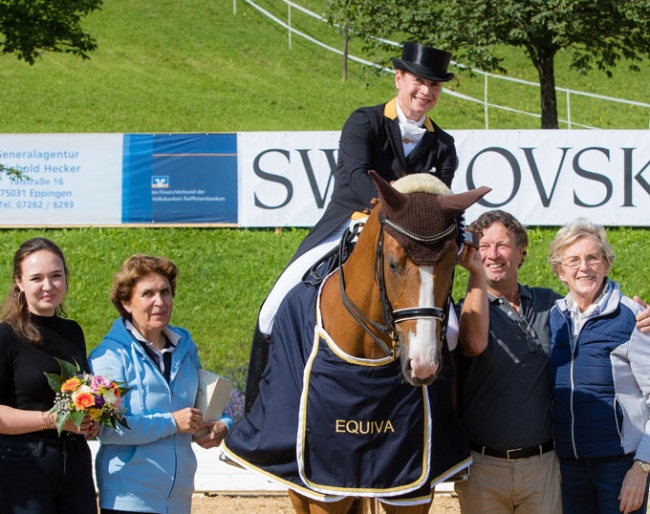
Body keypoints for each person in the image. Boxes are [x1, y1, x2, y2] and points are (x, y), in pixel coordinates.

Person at [247, 41, 459, 409]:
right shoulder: (364, 121)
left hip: (410, 249)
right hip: (347, 225)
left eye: (435, 85)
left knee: (452, 332)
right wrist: (393, 211)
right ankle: (255, 410)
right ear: (399, 78)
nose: (426, 91)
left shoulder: (444, 145)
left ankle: (443, 424)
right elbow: (357, 176)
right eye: (418, 81)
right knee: (272, 308)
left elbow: (441, 203)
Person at [453, 210, 650, 514]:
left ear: (521, 252)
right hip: (526, 468)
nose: (493, 254)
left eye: (503, 245)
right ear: (560, 271)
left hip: (583, 466)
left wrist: (643, 466)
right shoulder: (470, 313)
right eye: (484, 246)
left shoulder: (568, 309)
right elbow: (473, 343)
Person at [89, 254, 233, 514]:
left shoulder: (186, 348)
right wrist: (172, 423)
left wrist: (223, 424)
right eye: (147, 294)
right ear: (126, 303)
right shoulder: (109, 357)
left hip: (180, 499)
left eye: (165, 292)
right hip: (127, 498)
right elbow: (109, 429)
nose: (160, 301)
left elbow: (203, 407)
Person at [548, 219, 650, 514]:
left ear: (606, 264)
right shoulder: (554, 319)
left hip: (619, 467)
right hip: (569, 465)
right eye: (574, 260)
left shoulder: (633, 318)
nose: (585, 267)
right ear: (560, 271)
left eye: (593, 257)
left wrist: (641, 468)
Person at [0, 237, 99, 514]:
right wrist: (53, 420)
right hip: (24, 466)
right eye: (36, 278)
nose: (48, 286)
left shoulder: (72, 331)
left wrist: (91, 419)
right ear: (19, 282)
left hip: (76, 462)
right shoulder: (6, 335)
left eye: (56, 276)